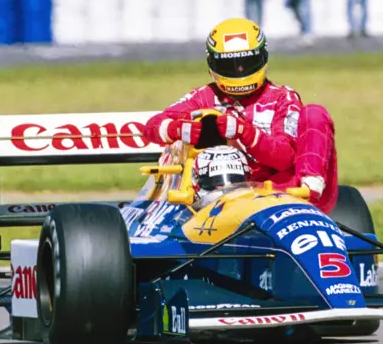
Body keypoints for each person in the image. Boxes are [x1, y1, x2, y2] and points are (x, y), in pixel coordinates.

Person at [143, 17, 338, 213]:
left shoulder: (283, 98)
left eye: (247, 62)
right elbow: (150, 127)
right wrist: (177, 128)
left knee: (315, 113)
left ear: (263, 58)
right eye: (230, 65)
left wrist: (245, 132)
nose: (239, 71)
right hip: (215, 192)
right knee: (181, 135)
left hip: (281, 192)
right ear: (212, 64)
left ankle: (310, 193)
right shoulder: (203, 97)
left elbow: (285, 158)